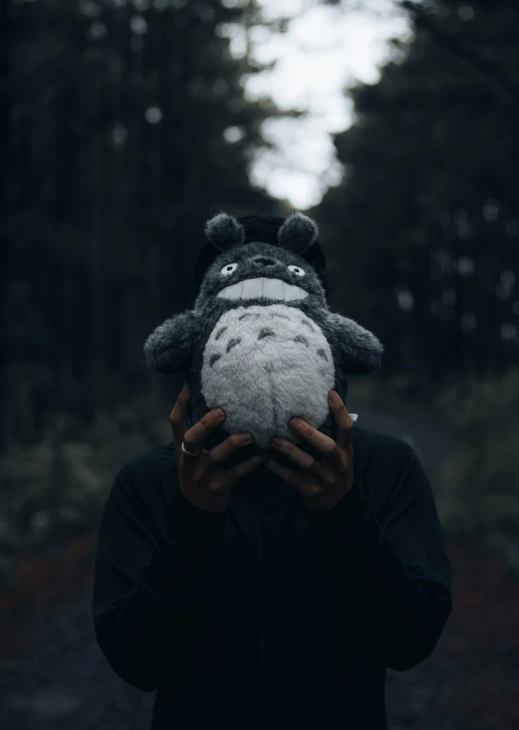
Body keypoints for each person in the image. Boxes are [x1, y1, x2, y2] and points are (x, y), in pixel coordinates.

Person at [91, 215, 452, 730]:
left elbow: (412, 641)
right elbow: (135, 661)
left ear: (326, 326)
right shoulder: (149, 482)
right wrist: (191, 522)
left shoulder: (383, 468)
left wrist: (344, 515)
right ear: (198, 336)